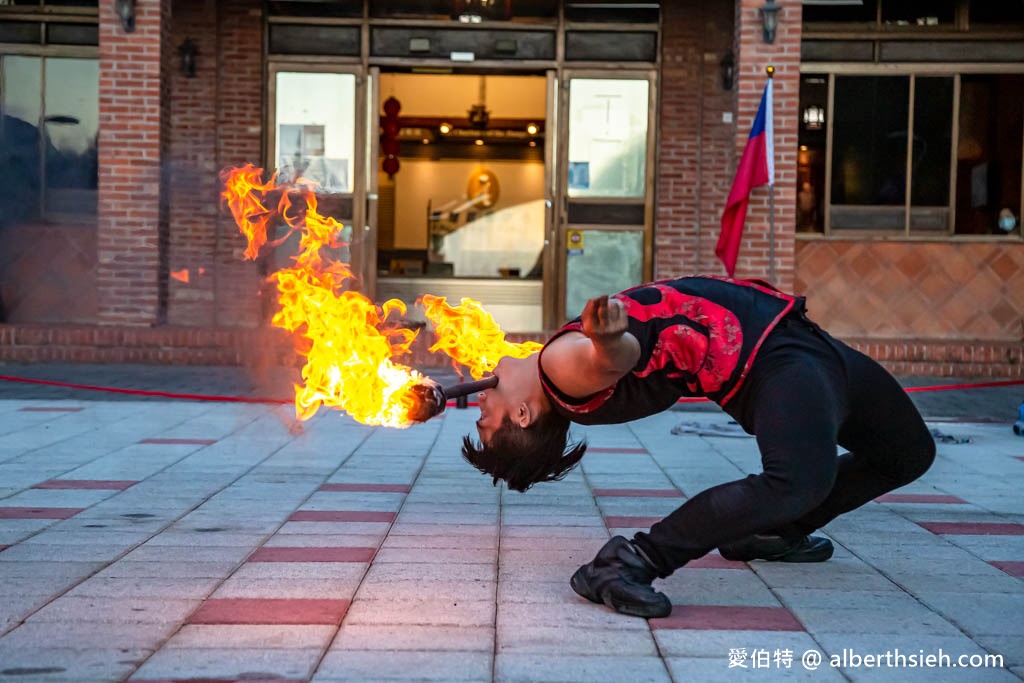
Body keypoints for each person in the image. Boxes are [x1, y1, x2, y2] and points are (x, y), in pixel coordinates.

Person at [462, 275, 935, 618]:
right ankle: (628, 562)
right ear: (521, 414)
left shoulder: (560, 374)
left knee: (909, 452)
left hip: (796, 340)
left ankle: (770, 531)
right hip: (773, 361)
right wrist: (609, 342)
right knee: (798, 480)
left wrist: (609, 342)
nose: (479, 400)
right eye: (486, 417)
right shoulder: (558, 368)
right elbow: (611, 361)